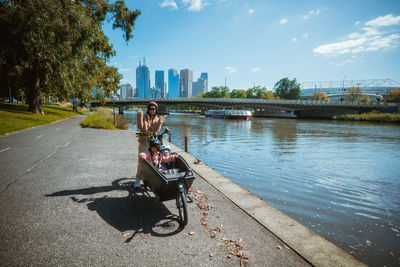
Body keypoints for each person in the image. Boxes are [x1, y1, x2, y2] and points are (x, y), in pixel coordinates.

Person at [135, 101, 168, 187]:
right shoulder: (144, 117)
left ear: (156, 110)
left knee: (154, 160)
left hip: (153, 143)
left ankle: (153, 178)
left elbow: (156, 130)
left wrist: (161, 121)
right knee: (141, 160)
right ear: (148, 109)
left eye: (153, 109)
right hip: (143, 141)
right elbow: (140, 127)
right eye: (150, 109)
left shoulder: (157, 119)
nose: (152, 110)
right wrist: (139, 115)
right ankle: (138, 179)